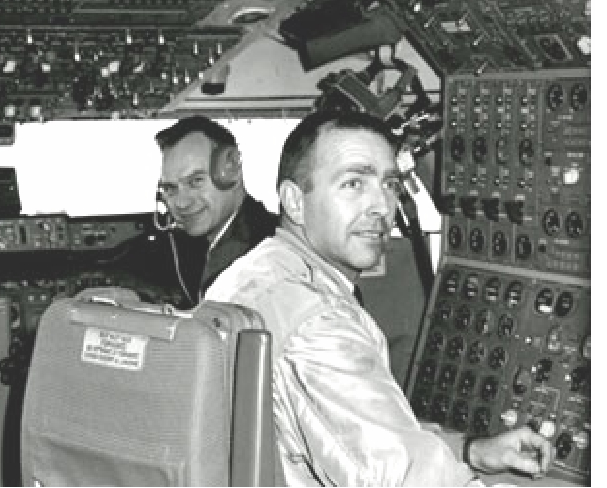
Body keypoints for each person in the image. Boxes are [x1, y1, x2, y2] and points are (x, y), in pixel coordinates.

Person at [205, 110, 553, 485]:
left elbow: (357, 435)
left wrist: (470, 452)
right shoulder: (316, 322)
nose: (381, 207)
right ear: (294, 202)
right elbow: (402, 480)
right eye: (354, 183)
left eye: (389, 184)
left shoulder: (256, 272)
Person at [149, 115, 277, 307]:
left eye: (196, 181)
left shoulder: (264, 251)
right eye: (170, 189)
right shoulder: (203, 241)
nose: (182, 203)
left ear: (231, 170)